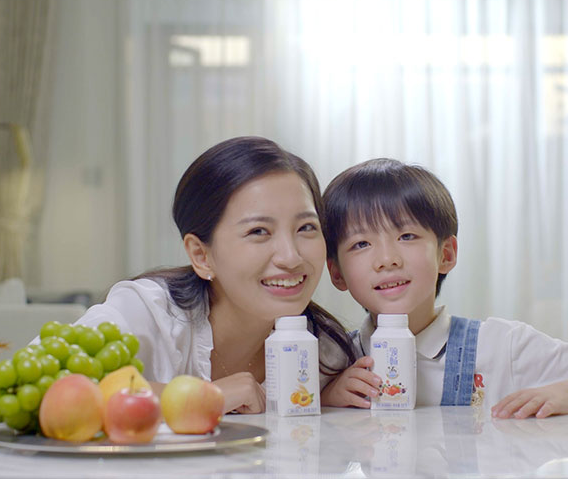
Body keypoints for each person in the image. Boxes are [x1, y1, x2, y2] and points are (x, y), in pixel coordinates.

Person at [319, 159, 568, 418]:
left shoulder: (500, 346)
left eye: (407, 236)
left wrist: (564, 394)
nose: (387, 259)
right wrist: (326, 397)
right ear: (337, 273)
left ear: (446, 255)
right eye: (361, 244)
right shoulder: (329, 358)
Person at [71, 137, 355, 414]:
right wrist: (203, 397)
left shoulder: (325, 353)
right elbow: (57, 387)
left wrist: (329, 397)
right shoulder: (148, 313)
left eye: (306, 227)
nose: (291, 257)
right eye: (258, 231)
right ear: (201, 255)